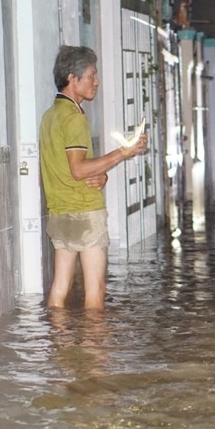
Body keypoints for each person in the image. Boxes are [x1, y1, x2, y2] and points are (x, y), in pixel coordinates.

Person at [39, 45, 147, 310]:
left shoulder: (50, 116)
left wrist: (102, 177)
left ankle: (60, 347)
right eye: (91, 75)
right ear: (72, 79)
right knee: (95, 292)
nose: (96, 81)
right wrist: (125, 152)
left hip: (59, 213)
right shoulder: (74, 118)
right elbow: (79, 169)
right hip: (84, 214)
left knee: (59, 289)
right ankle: (94, 350)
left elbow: (71, 170)